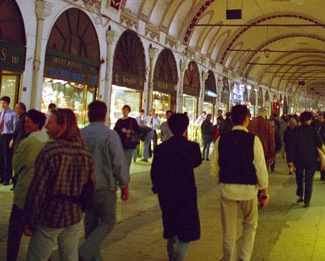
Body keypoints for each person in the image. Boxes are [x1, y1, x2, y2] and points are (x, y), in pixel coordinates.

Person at [24, 108, 95, 261]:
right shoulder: (84, 153)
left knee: (37, 256)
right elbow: (89, 186)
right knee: (70, 255)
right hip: (75, 213)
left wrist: (29, 217)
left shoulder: (50, 152)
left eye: (50, 122)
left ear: (62, 126)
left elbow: (38, 189)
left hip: (51, 213)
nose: (46, 126)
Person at [210, 104, 269, 261]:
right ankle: (244, 257)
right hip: (249, 190)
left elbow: (214, 165)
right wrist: (264, 190)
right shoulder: (253, 140)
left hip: (227, 190)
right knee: (250, 224)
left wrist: (219, 181)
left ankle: (229, 258)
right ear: (246, 119)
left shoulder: (222, 140)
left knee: (228, 231)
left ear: (231, 119)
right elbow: (260, 166)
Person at [79, 101, 129, 261]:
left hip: (85, 187)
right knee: (108, 220)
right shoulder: (110, 135)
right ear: (105, 115)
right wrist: (124, 184)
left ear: (89, 114)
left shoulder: (81, 134)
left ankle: (93, 257)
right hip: (105, 186)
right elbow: (118, 162)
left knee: (90, 224)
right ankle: (84, 252)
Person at [151, 113, 202, 261]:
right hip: (186, 192)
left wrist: (156, 187)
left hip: (167, 192)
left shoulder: (161, 149)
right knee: (186, 230)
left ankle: (170, 254)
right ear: (186, 127)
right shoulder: (192, 147)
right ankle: (177, 257)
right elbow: (197, 162)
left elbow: (155, 171)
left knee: (171, 225)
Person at [7, 109, 48, 261]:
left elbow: (16, 165)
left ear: (36, 124)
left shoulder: (27, 142)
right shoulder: (50, 141)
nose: (25, 124)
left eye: (28, 121)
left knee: (15, 231)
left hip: (25, 192)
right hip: (43, 194)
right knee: (39, 232)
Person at [288, 111, 324, 207]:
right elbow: (321, 145)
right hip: (311, 159)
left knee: (299, 177)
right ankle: (307, 201)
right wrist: (323, 157)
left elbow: (291, 146)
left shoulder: (296, 130)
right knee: (309, 180)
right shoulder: (313, 130)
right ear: (310, 120)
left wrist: (290, 160)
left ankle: (300, 194)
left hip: (298, 158)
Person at [0, 96, 17, 185]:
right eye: (1, 103)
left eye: (4, 103)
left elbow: (15, 127)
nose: (2, 105)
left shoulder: (13, 114)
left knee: (7, 157)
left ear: (8, 103)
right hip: (1, 135)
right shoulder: (0, 114)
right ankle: (1, 176)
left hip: (8, 136)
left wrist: (13, 139)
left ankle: (7, 178)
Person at [113, 105, 140, 175]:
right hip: (120, 143)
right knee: (120, 161)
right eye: (124, 110)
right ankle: (121, 175)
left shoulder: (132, 120)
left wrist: (130, 131)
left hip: (129, 144)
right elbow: (115, 131)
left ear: (129, 111)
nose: (125, 111)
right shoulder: (119, 121)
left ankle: (125, 176)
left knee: (127, 161)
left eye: (126, 110)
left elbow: (138, 130)